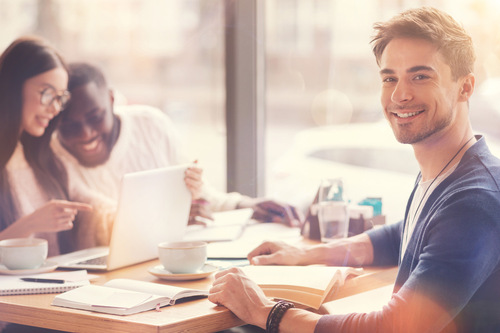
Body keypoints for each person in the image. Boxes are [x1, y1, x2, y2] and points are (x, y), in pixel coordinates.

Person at [208, 7, 500, 333]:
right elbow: (404, 234)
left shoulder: (475, 200)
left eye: (420, 76)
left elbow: (392, 327)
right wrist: (306, 254)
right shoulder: (452, 171)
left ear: (466, 87)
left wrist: (264, 311)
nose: (400, 94)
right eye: (390, 78)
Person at [51, 62, 302, 244]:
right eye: (69, 125)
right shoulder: (53, 157)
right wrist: (168, 221)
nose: (86, 134)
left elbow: (198, 197)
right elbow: (95, 223)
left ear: (111, 99)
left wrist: (246, 205)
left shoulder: (151, 124)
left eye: (96, 117)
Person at [0, 36, 92, 256]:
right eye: (47, 93)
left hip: (55, 283)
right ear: (12, 86)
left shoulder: (43, 157)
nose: (54, 108)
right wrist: (30, 224)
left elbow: (91, 202)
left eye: (60, 97)